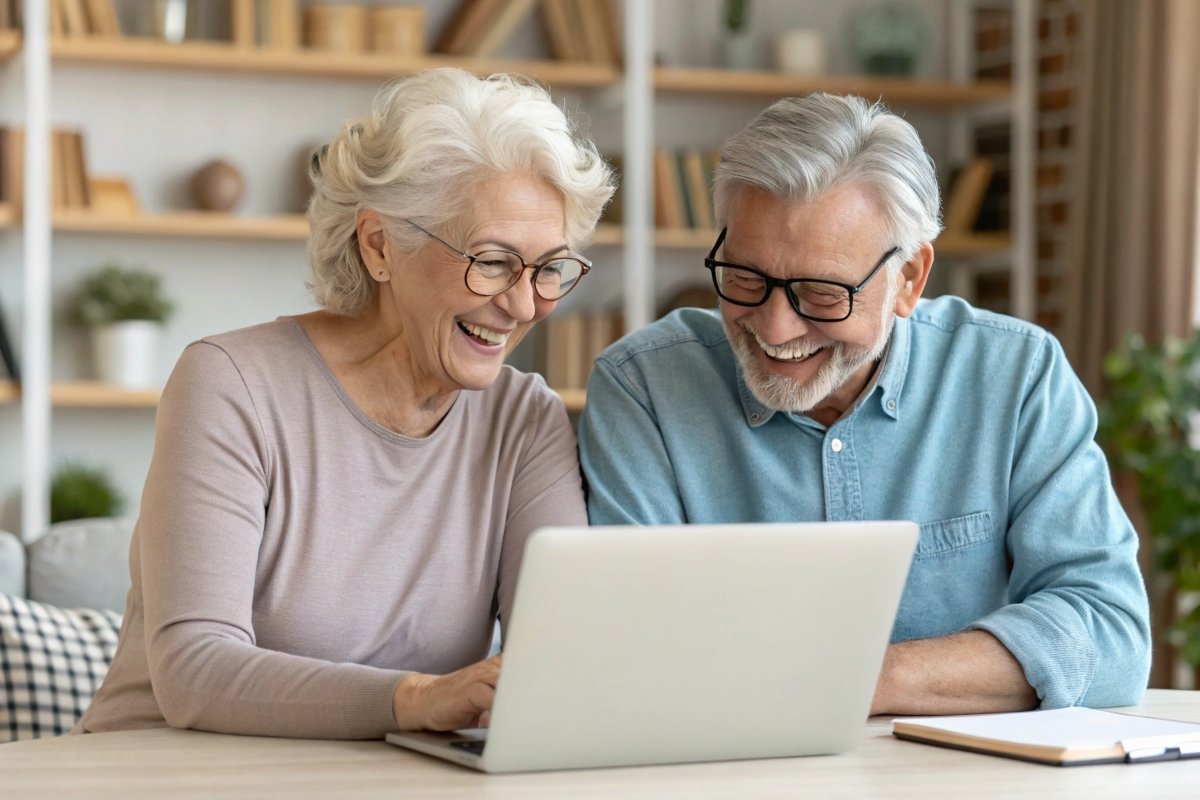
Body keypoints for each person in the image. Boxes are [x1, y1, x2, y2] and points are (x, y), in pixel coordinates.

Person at [79, 68, 614, 739]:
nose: (524, 304)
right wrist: (413, 699)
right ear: (380, 245)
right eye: (493, 261)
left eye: (549, 269)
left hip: (384, 777)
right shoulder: (231, 384)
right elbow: (193, 670)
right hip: (167, 768)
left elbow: (560, 656)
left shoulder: (524, 421)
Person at [578, 92, 1150, 715]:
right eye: (745, 278)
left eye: (822, 294)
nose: (775, 328)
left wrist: (865, 679)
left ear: (909, 279)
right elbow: (627, 645)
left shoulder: (1016, 377)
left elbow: (1110, 634)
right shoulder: (644, 389)